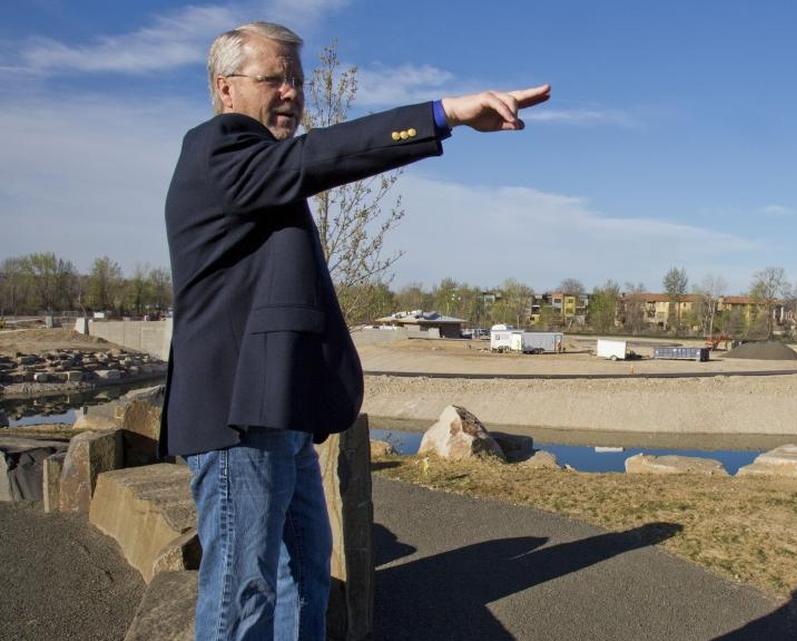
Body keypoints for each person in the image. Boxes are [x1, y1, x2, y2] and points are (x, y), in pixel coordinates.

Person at [161, 21, 549, 641]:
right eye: (273, 79)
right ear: (226, 88)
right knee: (243, 596)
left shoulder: (263, 174)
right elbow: (322, 155)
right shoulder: (219, 148)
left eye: (296, 80)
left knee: (305, 582)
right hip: (238, 423)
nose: (291, 92)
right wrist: (443, 114)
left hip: (281, 414)